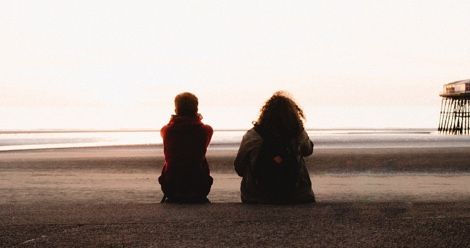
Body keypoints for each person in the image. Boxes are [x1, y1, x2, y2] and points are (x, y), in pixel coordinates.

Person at [234, 91, 315, 204]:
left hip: (257, 195)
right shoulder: (297, 134)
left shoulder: (253, 136)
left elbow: (239, 167)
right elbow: (308, 150)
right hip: (296, 194)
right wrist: (300, 128)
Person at [159, 92, 213, 203]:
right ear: (196, 109)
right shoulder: (205, 130)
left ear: (176, 109)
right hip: (199, 186)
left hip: (171, 186)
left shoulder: (166, 130)